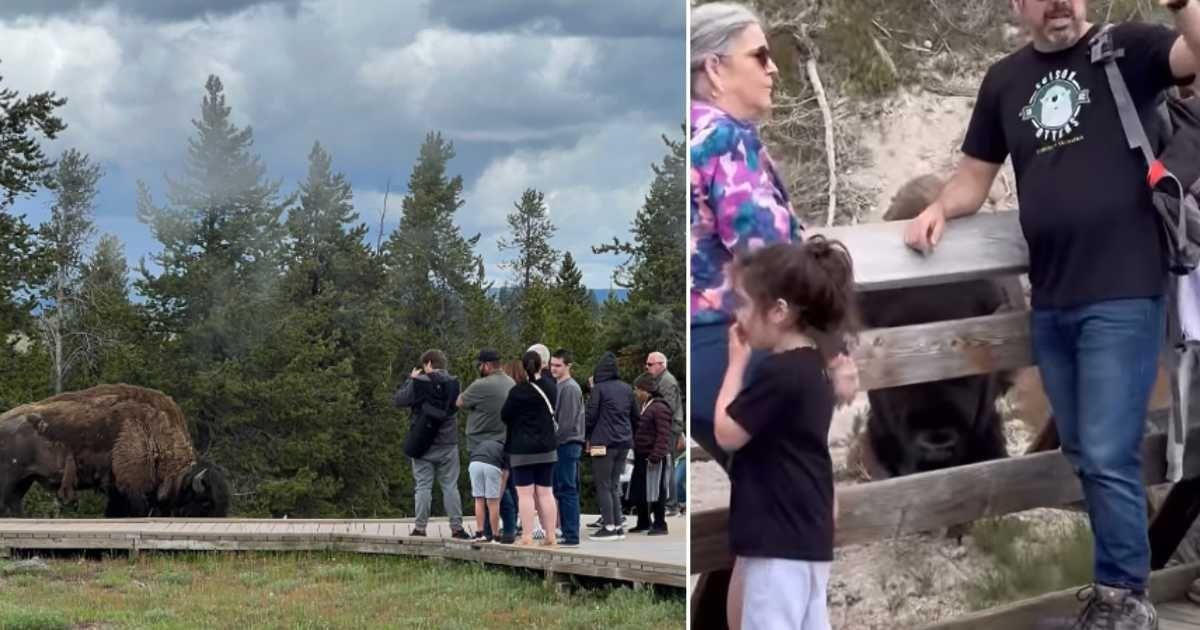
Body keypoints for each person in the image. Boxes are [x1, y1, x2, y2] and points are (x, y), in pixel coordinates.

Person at [902, 1, 1198, 627]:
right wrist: (940, 209)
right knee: (1085, 450)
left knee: (1109, 451)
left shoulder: (1129, 48)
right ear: (1019, 5)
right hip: (1054, 299)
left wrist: (1181, 6)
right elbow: (974, 178)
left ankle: (1125, 601)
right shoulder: (1004, 81)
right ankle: (1116, 596)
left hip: (1123, 291)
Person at [690, 2, 859, 472]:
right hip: (740, 344)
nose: (774, 68)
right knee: (794, 491)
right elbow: (774, 263)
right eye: (759, 56)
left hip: (700, 356)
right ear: (715, 69)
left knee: (762, 492)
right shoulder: (726, 142)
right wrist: (832, 350)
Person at [715, 238, 856, 630]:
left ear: (778, 311)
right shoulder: (816, 367)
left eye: (744, 303)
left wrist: (735, 365)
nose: (738, 314)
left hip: (775, 537)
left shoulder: (778, 372)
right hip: (810, 532)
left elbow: (727, 432)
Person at [393, 349, 470, 540]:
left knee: (423, 486)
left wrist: (411, 379)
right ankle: (457, 528)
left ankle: (420, 528)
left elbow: (399, 400)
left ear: (427, 364)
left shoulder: (419, 382)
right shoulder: (454, 383)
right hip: (448, 442)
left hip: (423, 442)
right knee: (450, 486)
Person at [501, 351, 560, 547]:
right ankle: (550, 535)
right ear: (541, 365)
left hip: (522, 449)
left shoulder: (517, 391)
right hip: (547, 447)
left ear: (524, 367)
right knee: (546, 493)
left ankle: (527, 536)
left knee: (525, 494)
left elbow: (505, 415)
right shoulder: (551, 387)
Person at [457, 348, 515, 543]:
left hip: (480, 444)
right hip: (505, 442)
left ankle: (486, 532)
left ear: (487, 365)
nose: (479, 368)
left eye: (480, 365)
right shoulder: (510, 382)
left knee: (482, 494)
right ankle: (508, 529)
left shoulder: (481, 384)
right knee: (503, 488)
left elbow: (460, 401)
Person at [585, 351, 637, 541]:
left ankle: (608, 527)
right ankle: (618, 526)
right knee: (614, 485)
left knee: (603, 485)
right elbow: (636, 416)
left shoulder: (599, 389)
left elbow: (591, 416)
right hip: (624, 442)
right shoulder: (627, 388)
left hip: (602, 442)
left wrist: (587, 436)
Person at [550, 349, 585, 547]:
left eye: (558, 365)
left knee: (567, 489)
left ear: (568, 366)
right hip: (562, 444)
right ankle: (566, 531)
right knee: (561, 489)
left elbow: (567, 423)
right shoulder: (559, 386)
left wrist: (553, 441)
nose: (553, 369)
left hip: (567, 444)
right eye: (552, 365)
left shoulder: (570, 388)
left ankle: (571, 534)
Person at [630, 372, 673, 535]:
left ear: (645, 390)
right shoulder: (647, 406)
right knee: (641, 490)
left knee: (657, 491)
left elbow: (663, 434)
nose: (635, 393)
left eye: (637, 389)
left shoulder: (659, 408)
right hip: (642, 454)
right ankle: (643, 521)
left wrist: (657, 455)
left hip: (654, 456)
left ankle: (660, 523)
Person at [646, 352, 684, 516]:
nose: (647, 367)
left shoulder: (666, 382)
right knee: (666, 465)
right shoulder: (662, 380)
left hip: (668, 428)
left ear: (661, 364)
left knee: (667, 465)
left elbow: (667, 408)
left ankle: (671, 504)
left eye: (650, 364)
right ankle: (668, 503)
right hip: (668, 427)